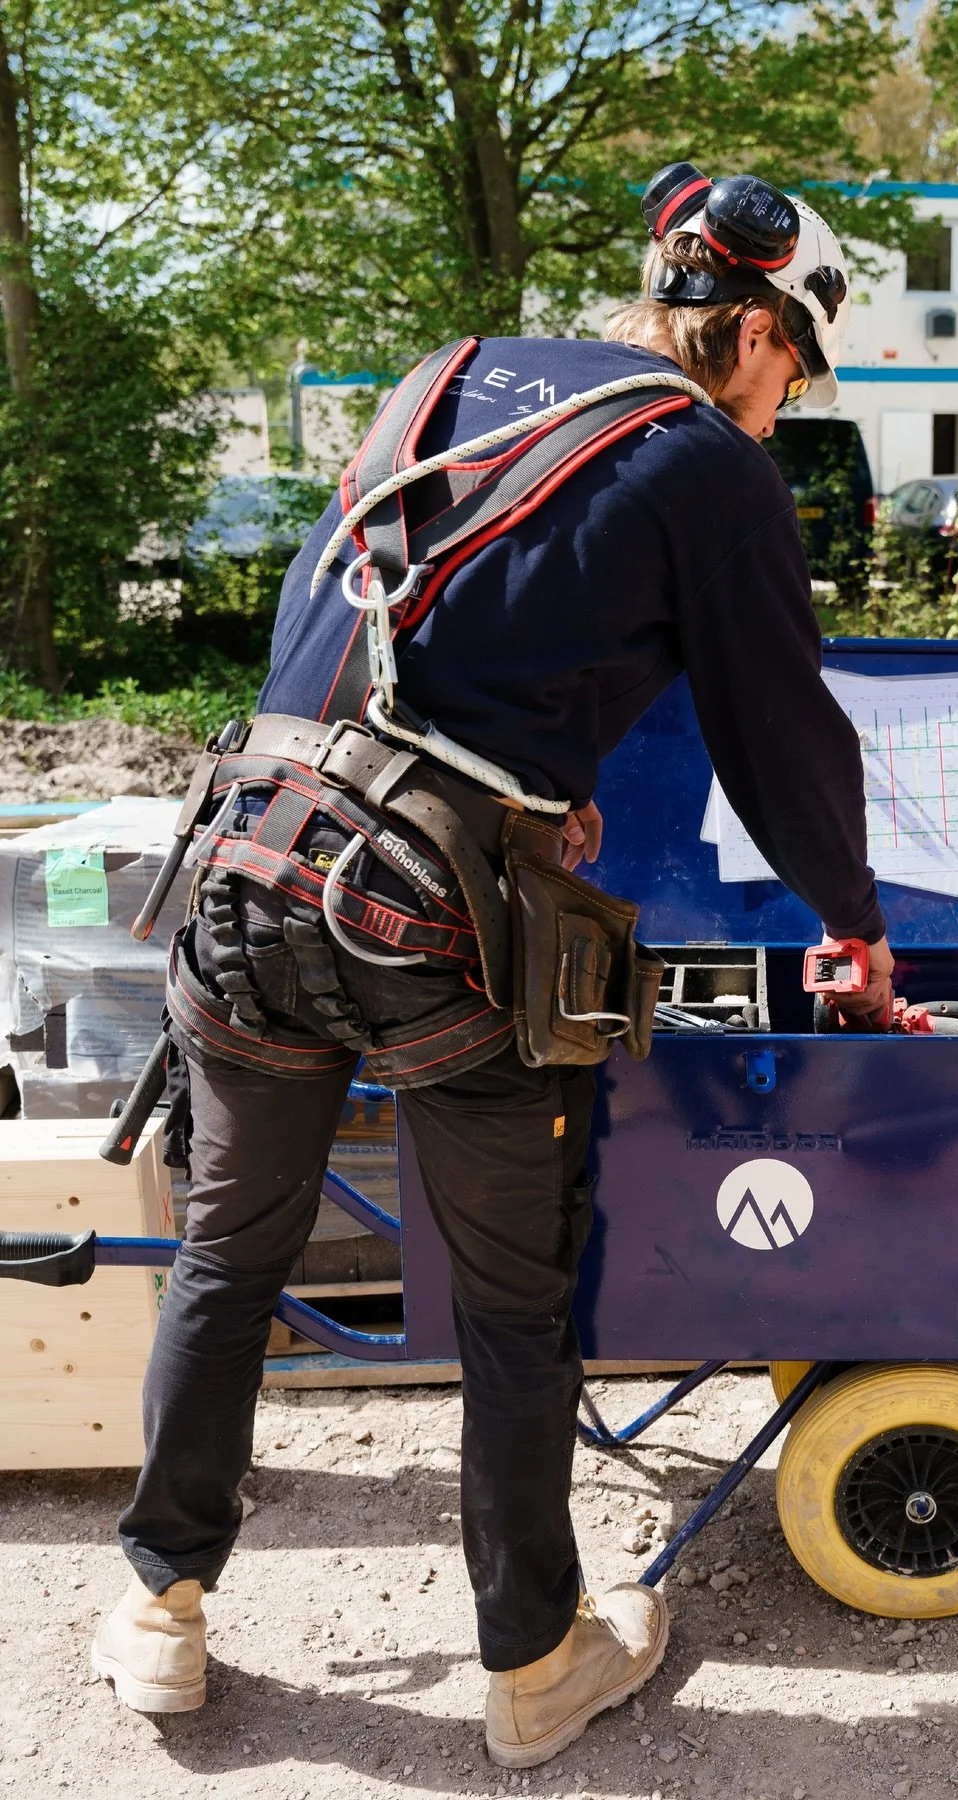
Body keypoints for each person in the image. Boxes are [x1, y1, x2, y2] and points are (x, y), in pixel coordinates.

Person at [91, 164, 893, 1769]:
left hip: (250, 861)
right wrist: (853, 921)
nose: (787, 405)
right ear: (749, 329)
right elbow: (782, 729)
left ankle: (158, 1613)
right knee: (518, 1312)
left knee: (227, 1263)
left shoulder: (448, 379)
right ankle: (532, 1668)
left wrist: (529, 778)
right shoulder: (706, 464)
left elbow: (376, 635)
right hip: (435, 930)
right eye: (795, 370)